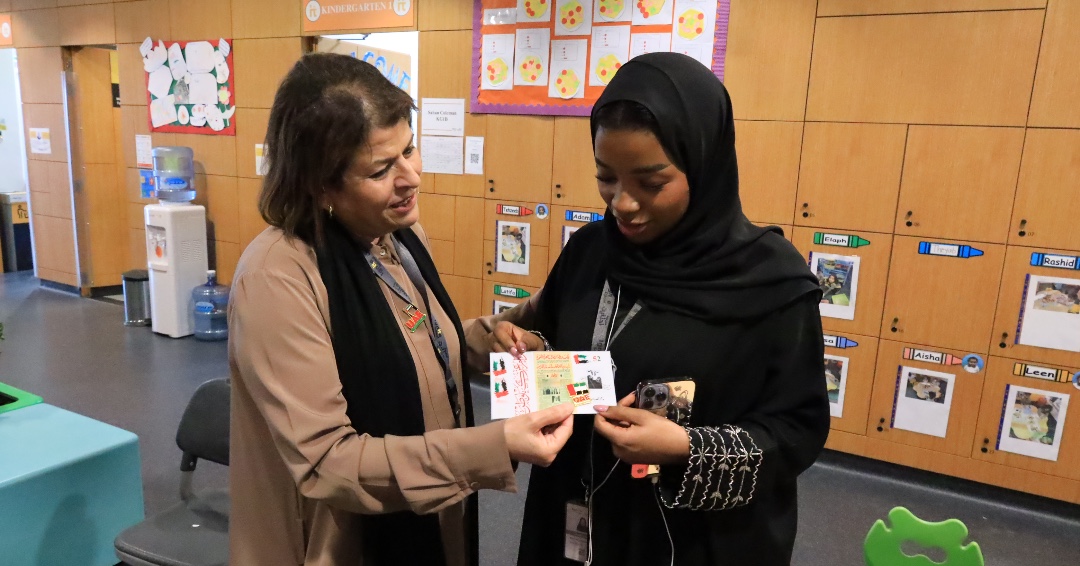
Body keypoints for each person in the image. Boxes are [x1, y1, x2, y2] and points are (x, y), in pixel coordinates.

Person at [469, 52, 830, 565]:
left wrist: (687, 447)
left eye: (651, 183)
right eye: (606, 177)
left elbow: (796, 430)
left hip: (691, 539)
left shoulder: (772, 283)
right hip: (576, 511)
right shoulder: (590, 252)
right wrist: (532, 348)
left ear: (703, 164)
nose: (622, 203)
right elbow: (570, 345)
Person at [227, 53, 574, 566]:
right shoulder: (277, 277)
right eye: (381, 169)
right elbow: (328, 462)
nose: (411, 177)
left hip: (430, 510)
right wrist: (492, 446)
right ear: (320, 184)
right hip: (339, 544)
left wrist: (498, 333)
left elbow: (415, 340)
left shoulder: (397, 238)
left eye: (409, 149)